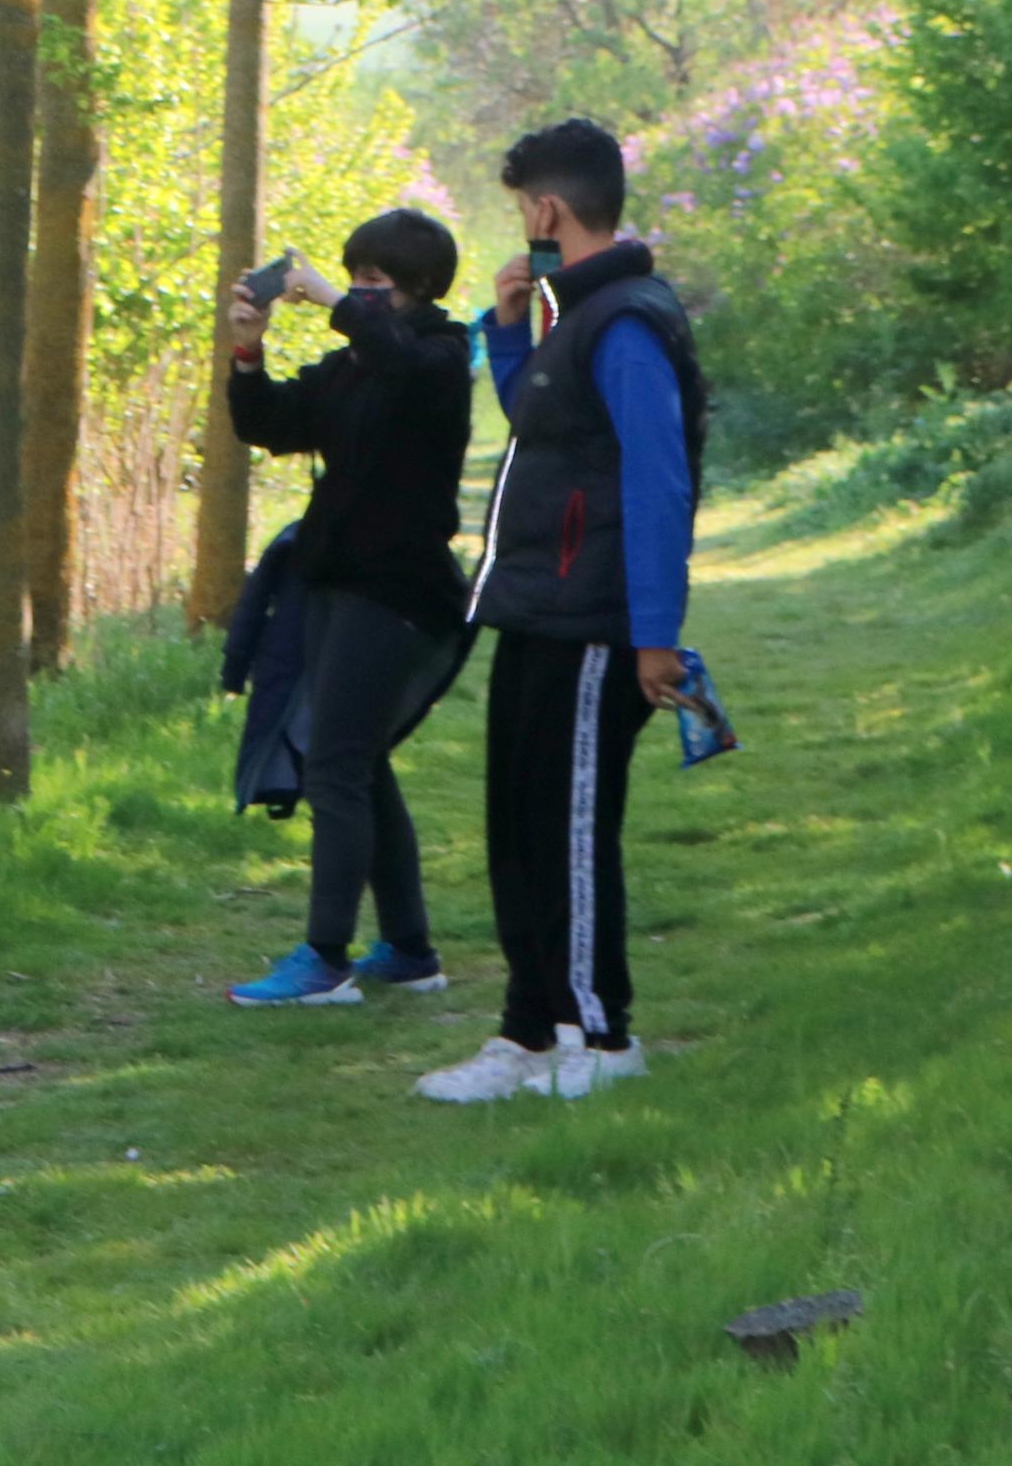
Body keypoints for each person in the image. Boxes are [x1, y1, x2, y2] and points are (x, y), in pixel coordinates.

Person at [418, 117, 710, 1107]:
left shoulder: (626, 320)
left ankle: (600, 1031)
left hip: (594, 623)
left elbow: (659, 485)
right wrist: (506, 329)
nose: (522, 230)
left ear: (544, 209)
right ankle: (530, 1032)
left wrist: (653, 637)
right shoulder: (566, 313)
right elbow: (543, 424)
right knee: (518, 824)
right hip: (534, 611)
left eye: (521, 214)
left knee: (572, 832)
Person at [216, 211, 476, 1007]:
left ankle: (324, 959)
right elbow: (267, 424)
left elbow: (401, 363)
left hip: (397, 591)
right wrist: (248, 348)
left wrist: (332, 298)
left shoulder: (439, 356)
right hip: (334, 580)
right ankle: (407, 948)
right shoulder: (353, 366)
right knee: (359, 762)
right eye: (354, 277)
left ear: (421, 289)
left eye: (377, 283)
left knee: (333, 766)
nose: (362, 293)